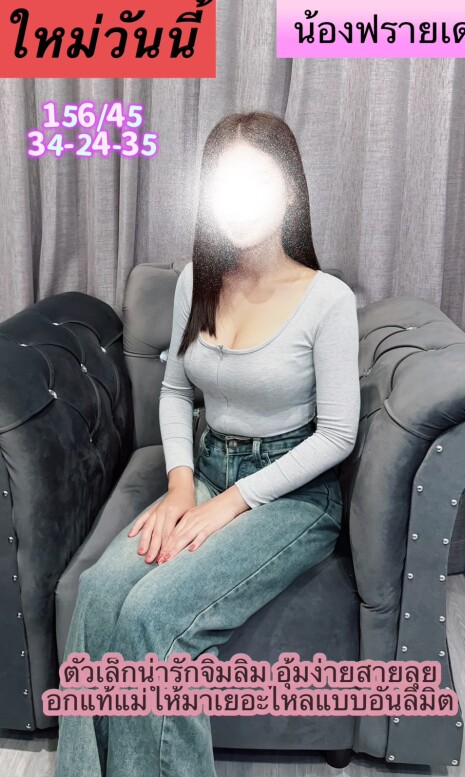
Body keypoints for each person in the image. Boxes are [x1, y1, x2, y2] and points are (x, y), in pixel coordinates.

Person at [54, 111, 361, 777]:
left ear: (289, 191)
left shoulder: (328, 300)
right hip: (207, 466)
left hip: (291, 492)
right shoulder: (198, 280)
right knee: (101, 590)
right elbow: (174, 390)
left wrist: (230, 503)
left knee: (153, 616)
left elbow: (339, 434)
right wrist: (181, 486)